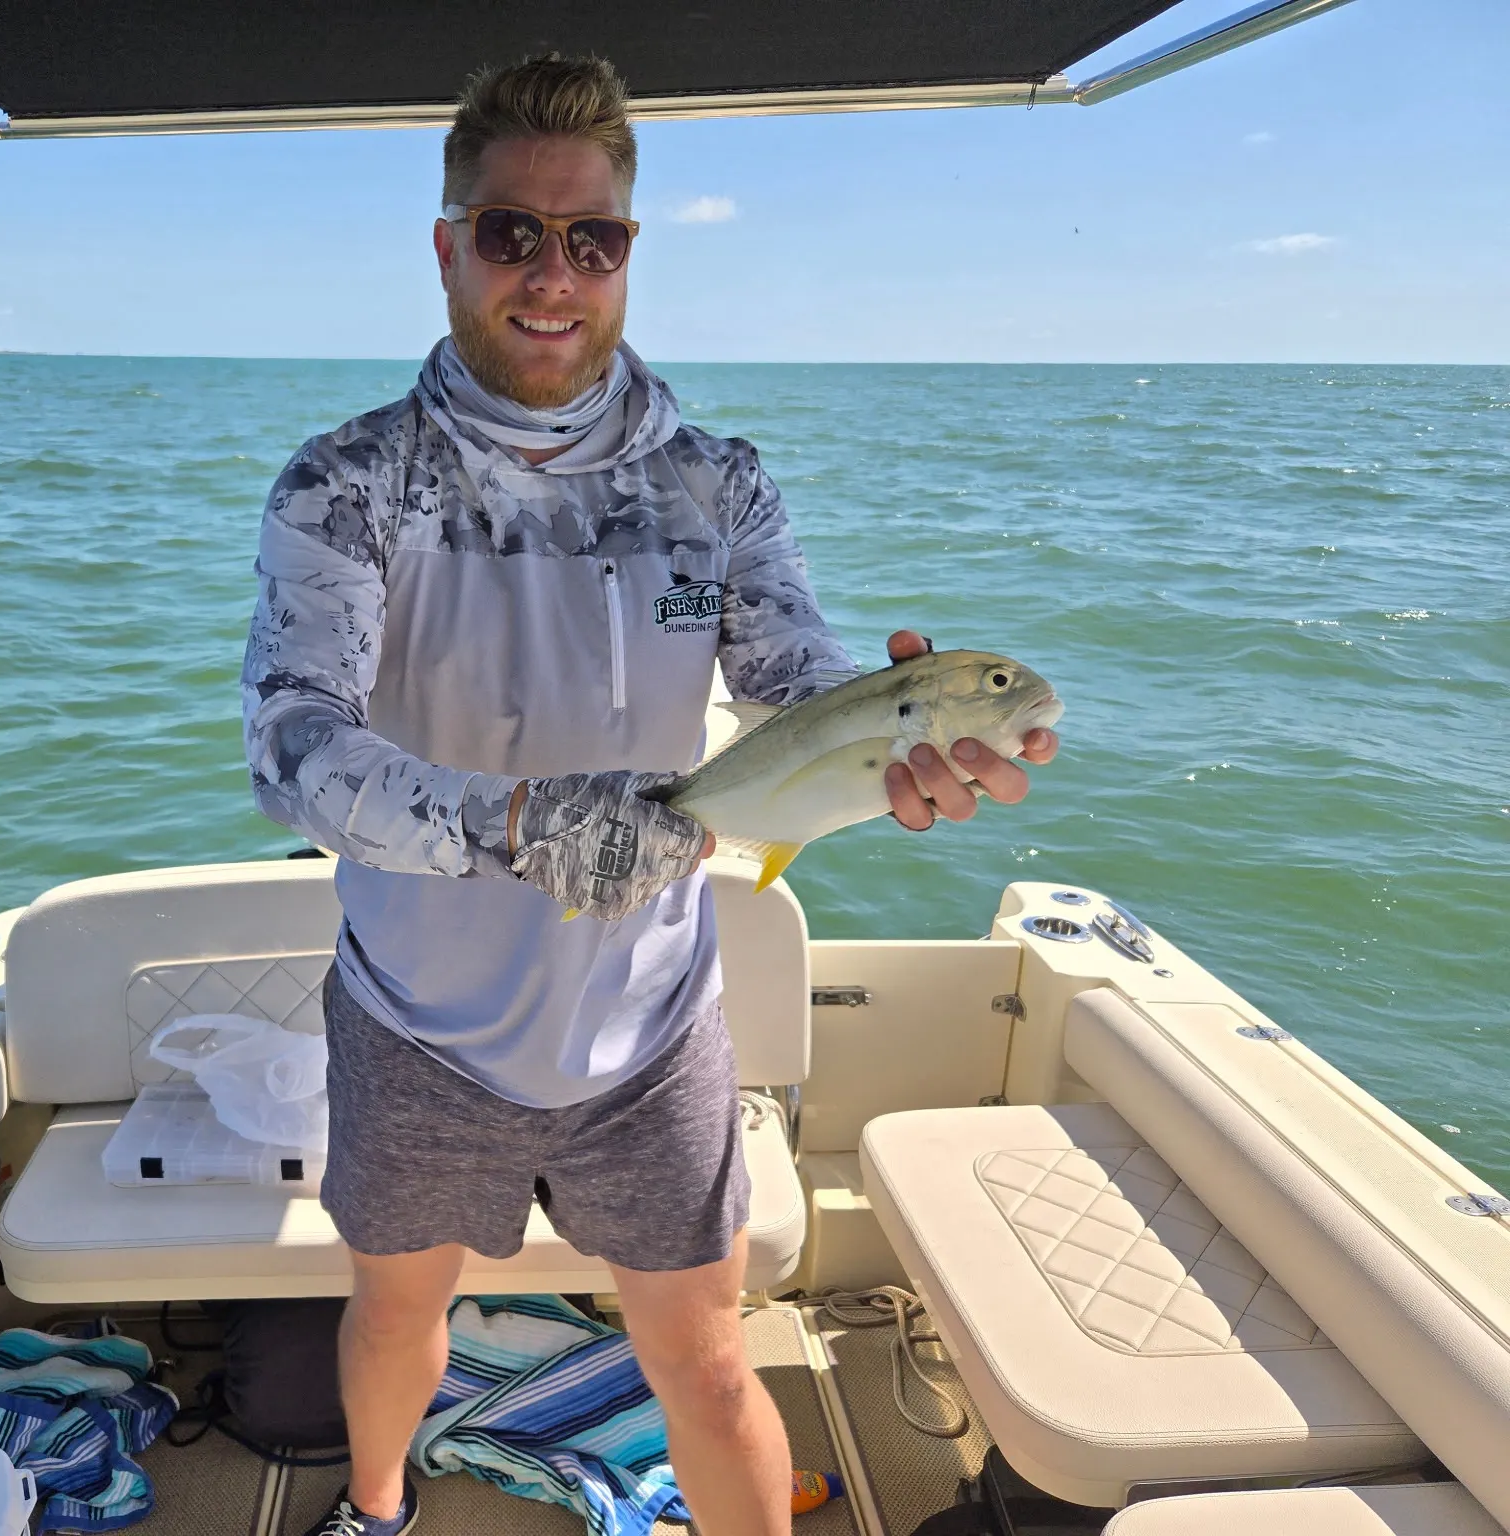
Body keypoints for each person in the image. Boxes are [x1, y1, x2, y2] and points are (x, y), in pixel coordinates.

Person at [241, 53, 1058, 1536]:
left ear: (628, 253)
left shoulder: (716, 487)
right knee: (397, 1319)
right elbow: (293, 748)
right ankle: (377, 1510)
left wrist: (900, 745)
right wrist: (521, 821)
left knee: (706, 1357)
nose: (552, 277)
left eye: (593, 240)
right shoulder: (344, 486)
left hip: (654, 1025)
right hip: (415, 1022)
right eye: (512, 234)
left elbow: (796, 685)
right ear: (448, 246)